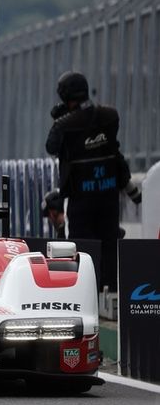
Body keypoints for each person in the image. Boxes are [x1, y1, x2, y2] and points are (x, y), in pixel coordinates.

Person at [45, 71, 139, 290]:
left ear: (65, 95)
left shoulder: (65, 124)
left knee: (81, 248)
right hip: (109, 196)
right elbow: (114, 151)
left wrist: (60, 119)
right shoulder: (110, 116)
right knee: (110, 243)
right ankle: (111, 292)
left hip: (81, 199)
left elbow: (51, 146)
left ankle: (86, 292)